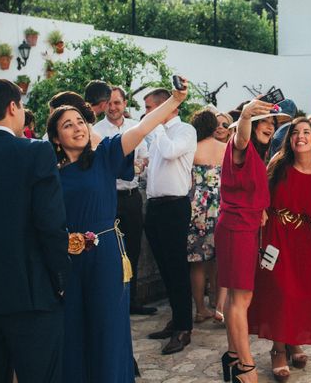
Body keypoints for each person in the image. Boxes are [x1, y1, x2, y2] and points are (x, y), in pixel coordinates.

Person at [46, 78, 188, 381]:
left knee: (108, 325)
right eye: (67, 125)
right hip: (68, 261)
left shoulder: (104, 157)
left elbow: (140, 129)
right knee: (73, 326)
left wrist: (174, 99)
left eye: (80, 122)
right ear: (56, 138)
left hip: (106, 255)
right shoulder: (50, 175)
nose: (77, 128)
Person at [0, 78, 70, 383]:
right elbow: (50, 224)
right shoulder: (34, 152)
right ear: (12, 107)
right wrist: (61, 279)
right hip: (30, 292)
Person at [248, 117, 311, 382]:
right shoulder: (278, 164)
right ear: (290, 139)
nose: (300, 136)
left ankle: (294, 341)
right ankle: (278, 349)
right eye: (295, 132)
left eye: (307, 132)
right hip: (274, 234)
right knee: (279, 291)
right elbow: (260, 195)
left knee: (299, 293)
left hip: (303, 239)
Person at [216, 99, 289, 383]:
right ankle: (246, 366)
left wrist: (260, 209)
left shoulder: (256, 157)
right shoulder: (240, 147)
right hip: (236, 229)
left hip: (245, 228)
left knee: (239, 298)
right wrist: (246, 115)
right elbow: (241, 136)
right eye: (265, 122)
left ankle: (234, 357)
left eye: (273, 123)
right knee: (240, 299)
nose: (270, 127)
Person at [142, 88, 198, 355]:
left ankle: (184, 328)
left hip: (174, 207)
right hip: (154, 207)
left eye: (150, 108)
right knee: (164, 267)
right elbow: (157, 166)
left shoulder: (184, 130)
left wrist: (157, 127)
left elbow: (170, 153)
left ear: (168, 108)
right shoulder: (157, 134)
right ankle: (175, 319)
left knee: (176, 268)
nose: (146, 114)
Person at [93, 86, 155, 316]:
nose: (113, 107)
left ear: (124, 103)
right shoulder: (95, 130)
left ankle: (132, 301)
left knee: (134, 250)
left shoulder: (134, 129)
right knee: (109, 250)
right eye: (109, 103)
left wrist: (130, 168)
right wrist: (132, 167)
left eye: (117, 103)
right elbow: (106, 167)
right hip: (108, 198)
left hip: (131, 198)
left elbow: (143, 161)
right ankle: (111, 302)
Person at [187, 110, 227, 324]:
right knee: (221, 259)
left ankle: (200, 309)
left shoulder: (192, 149)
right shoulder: (225, 148)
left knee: (197, 262)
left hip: (197, 207)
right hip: (221, 204)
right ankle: (218, 304)